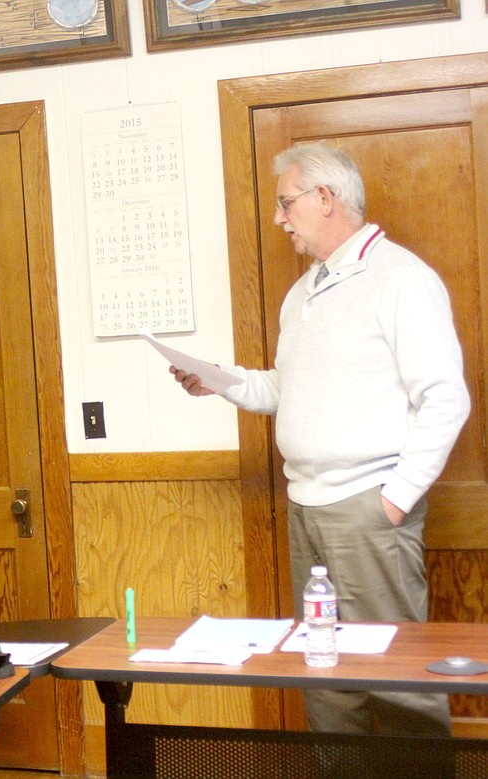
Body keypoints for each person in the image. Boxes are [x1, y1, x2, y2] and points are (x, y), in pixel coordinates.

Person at [171, 142, 470, 736]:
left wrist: (394, 498)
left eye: (286, 203)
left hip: (367, 511)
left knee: (397, 678)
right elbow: (285, 388)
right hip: (305, 508)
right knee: (326, 677)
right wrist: (220, 382)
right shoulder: (303, 292)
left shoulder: (402, 280)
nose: (280, 218)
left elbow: (445, 397)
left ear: (325, 198)